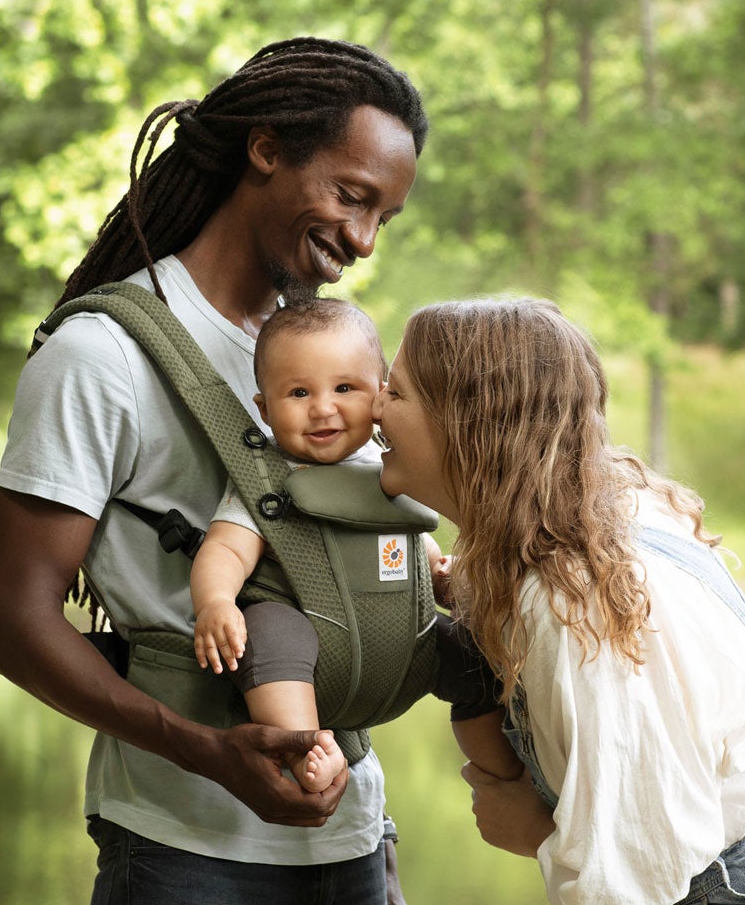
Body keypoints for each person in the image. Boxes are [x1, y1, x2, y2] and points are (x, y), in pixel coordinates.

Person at [0, 38, 432, 905]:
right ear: (266, 150)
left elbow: (340, 587)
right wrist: (205, 752)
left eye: (384, 216)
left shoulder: (327, 361)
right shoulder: (102, 357)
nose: (362, 240)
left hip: (345, 858)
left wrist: (379, 859)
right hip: (185, 857)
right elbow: (14, 624)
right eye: (351, 197)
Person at [371, 297, 745, 905]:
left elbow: (630, 883)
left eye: (394, 391)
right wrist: (470, 585)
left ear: (465, 422)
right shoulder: (593, 530)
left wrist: (536, 833)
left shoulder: (577, 608)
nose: (372, 407)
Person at [189, 297, 522, 794]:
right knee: (267, 634)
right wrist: (215, 602)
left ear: (381, 394)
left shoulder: (390, 465)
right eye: (298, 392)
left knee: (476, 660)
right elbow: (226, 549)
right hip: (311, 650)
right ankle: (312, 751)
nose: (323, 408)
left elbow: (406, 536)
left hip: (405, 644)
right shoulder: (267, 478)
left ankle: (501, 774)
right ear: (264, 407)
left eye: (345, 388)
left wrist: (439, 574)